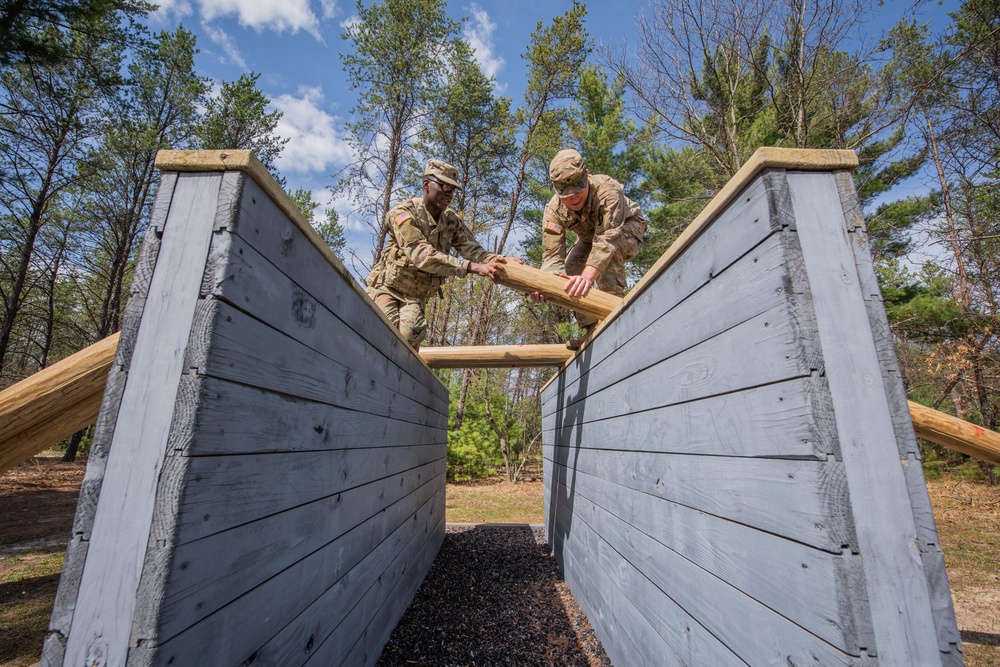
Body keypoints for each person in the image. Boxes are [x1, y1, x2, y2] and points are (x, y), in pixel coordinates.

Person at [366, 159, 511, 349]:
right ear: (426, 184)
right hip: (386, 288)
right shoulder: (403, 213)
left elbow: (474, 251)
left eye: (453, 190)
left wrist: (503, 262)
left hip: (415, 296)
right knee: (383, 334)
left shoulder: (450, 221)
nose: (449, 195)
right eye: (444, 187)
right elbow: (421, 255)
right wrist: (471, 267)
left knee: (410, 336)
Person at [530, 148, 646, 347]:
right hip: (589, 238)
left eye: (578, 189)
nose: (573, 198)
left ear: (586, 175)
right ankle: (592, 329)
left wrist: (587, 277)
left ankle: (613, 319)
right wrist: (545, 287)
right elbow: (552, 257)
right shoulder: (553, 210)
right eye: (565, 194)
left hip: (626, 228)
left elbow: (607, 240)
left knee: (606, 257)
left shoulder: (607, 191)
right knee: (571, 266)